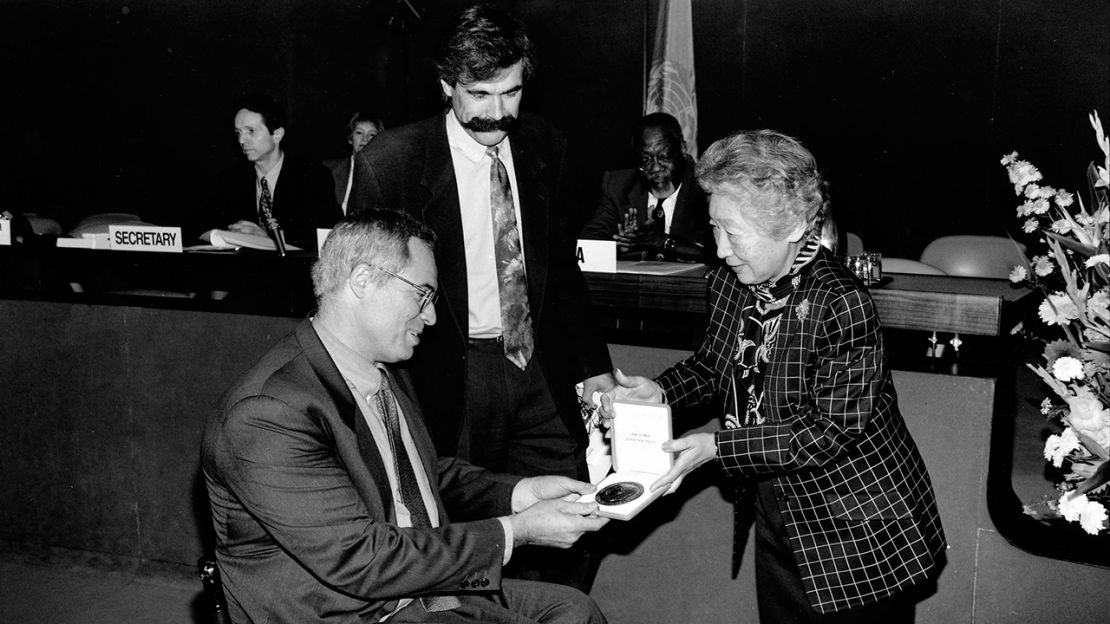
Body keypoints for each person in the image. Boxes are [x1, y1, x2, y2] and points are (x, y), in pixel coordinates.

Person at [600, 130, 946, 622]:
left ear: (793, 227)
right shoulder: (729, 278)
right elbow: (713, 364)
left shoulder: (840, 302)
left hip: (858, 526)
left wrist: (716, 448)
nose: (719, 250)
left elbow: (828, 432)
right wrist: (660, 390)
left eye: (732, 232)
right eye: (714, 228)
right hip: (778, 509)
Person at [202, 210, 609, 624]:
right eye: (422, 294)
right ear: (362, 280)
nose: (431, 317)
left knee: (574, 610)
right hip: (357, 610)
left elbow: (426, 478)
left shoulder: (380, 370)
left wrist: (523, 493)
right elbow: (362, 561)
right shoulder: (267, 414)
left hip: (417, 588)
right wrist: (516, 530)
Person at [353, 4, 614, 590]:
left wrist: (595, 368)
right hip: (450, 374)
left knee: (575, 520)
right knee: (467, 530)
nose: (498, 113)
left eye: (512, 92)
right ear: (446, 86)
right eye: (479, 93)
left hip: (538, 371)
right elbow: (364, 300)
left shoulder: (547, 144)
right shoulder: (390, 164)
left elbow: (560, 273)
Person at [203, 96, 340, 251]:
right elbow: (205, 225)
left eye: (251, 131)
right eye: (238, 132)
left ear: (277, 135)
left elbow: (328, 235)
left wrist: (270, 237)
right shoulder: (231, 179)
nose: (242, 140)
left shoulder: (312, 176)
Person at [580, 112, 711, 262]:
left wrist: (663, 242)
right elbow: (589, 239)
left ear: (682, 148)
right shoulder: (619, 186)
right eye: (645, 159)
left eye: (664, 156)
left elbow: (716, 253)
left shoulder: (704, 187)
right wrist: (621, 246)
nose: (655, 167)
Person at [323, 111, 383, 215]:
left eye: (372, 134)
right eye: (359, 133)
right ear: (350, 138)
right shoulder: (329, 170)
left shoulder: (386, 176)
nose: (365, 139)